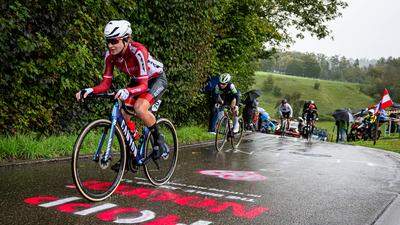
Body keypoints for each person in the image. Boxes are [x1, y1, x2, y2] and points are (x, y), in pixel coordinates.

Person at [75, 20, 168, 158]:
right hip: (138, 80)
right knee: (122, 113)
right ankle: (131, 151)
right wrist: (90, 90)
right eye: (108, 41)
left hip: (155, 79)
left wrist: (128, 91)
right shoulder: (110, 56)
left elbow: (144, 85)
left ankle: (159, 141)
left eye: (114, 41)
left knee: (140, 108)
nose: (110, 45)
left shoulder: (138, 51)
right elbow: (106, 83)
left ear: (126, 40)